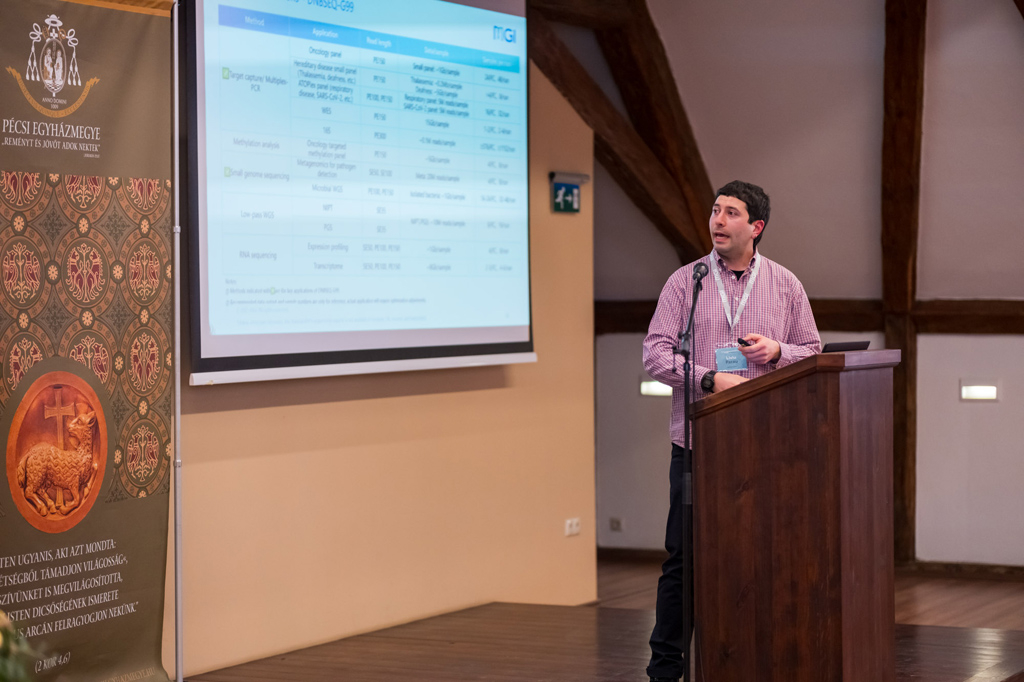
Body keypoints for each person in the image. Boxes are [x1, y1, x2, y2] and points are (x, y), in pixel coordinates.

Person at [642, 180, 821, 682]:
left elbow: (813, 350)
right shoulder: (687, 281)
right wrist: (707, 378)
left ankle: (752, 660)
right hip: (698, 446)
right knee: (683, 561)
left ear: (756, 227)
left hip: (766, 447)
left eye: (731, 213)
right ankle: (665, 671)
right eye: (715, 210)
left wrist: (778, 351)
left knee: (759, 557)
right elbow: (655, 353)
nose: (717, 221)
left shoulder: (785, 284)